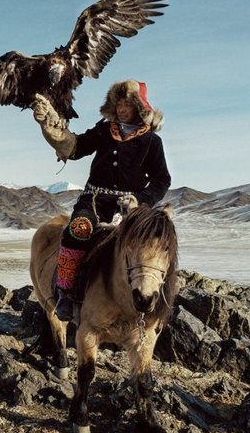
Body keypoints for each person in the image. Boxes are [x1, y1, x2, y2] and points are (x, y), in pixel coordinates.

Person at [33, 79, 171, 321]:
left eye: (127, 103)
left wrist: (140, 200)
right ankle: (65, 293)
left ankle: (150, 300)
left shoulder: (151, 142)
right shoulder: (104, 131)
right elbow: (75, 148)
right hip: (93, 202)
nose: (121, 109)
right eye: (117, 103)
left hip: (131, 209)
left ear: (139, 107)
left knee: (150, 246)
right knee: (77, 230)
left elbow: (162, 180)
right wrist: (50, 126)